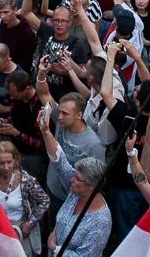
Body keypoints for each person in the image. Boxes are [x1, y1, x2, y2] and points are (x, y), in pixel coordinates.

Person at [38, 106, 111, 257]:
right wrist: (45, 131)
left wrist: (55, 248)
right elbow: (60, 163)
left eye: (77, 178)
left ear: (91, 185)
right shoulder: (76, 190)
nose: (71, 180)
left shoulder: (101, 221)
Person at [0, 140, 50, 257]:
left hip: (18, 233)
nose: (6, 167)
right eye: (1, 163)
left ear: (15, 159)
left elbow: (44, 201)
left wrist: (30, 223)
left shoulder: (26, 180)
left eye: (9, 162)